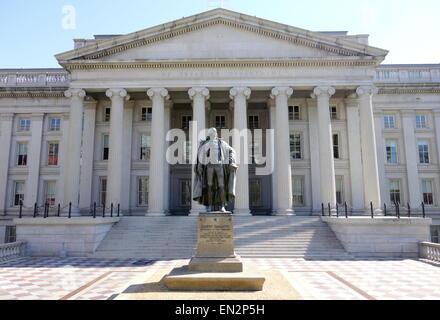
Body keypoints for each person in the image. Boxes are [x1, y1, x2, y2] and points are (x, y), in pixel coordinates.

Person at [193, 128, 238, 212]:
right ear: (209, 134)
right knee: (209, 186)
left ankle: (222, 206)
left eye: (214, 133)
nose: (214, 134)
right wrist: (199, 165)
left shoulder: (221, 143)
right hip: (209, 166)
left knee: (221, 186)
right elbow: (200, 155)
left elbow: (231, 150)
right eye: (212, 133)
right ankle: (209, 206)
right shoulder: (205, 144)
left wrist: (231, 161)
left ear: (216, 134)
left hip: (219, 166)